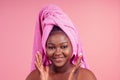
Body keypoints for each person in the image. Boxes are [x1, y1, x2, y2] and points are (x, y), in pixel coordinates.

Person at [26, 4, 96, 80]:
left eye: (64, 46)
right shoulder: (34, 77)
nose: (57, 52)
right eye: (51, 47)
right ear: (45, 48)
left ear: (73, 46)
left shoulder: (86, 76)